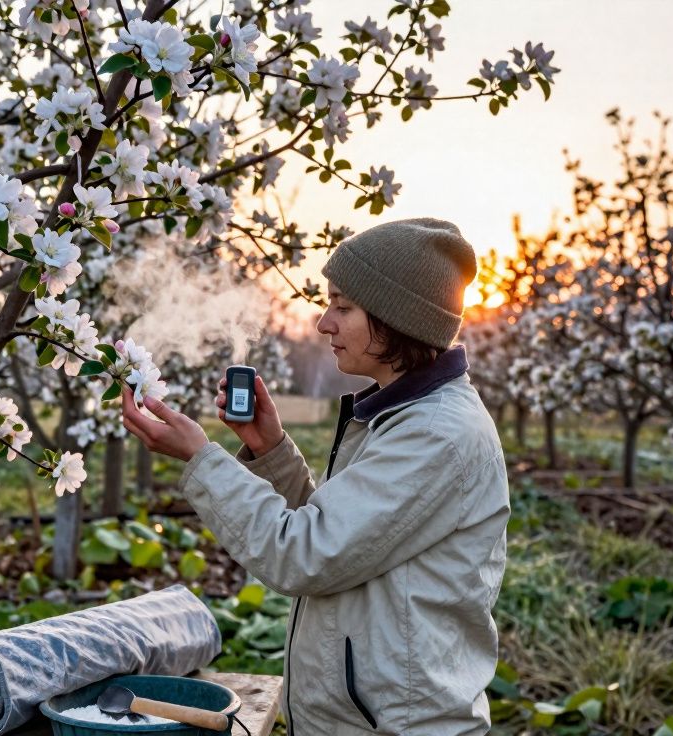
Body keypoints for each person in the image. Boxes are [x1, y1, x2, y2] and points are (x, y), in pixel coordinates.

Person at [120, 218, 509, 735]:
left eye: (343, 307)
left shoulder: (435, 434)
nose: (324, 323)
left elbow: (305, 554)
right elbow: (344, 537)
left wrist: (201, 460)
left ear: (397, 319)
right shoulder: (405, 416)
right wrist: (272, 450)